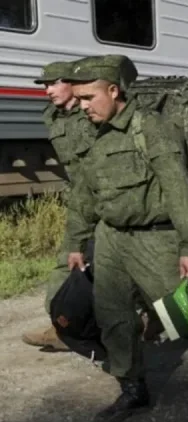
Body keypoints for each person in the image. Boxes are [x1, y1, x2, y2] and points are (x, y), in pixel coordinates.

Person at [64, 55, 188, 422]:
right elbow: (83, 194)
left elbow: (179, 192)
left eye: (88, 97)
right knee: (114, 318)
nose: (82, 107)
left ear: (113, 91)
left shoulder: (152, 128)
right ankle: (133, 391)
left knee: (186, 313)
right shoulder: (93, 134)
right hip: (110, 239)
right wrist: (77, 242)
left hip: (155, 239)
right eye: (77, 99)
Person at [20, 60, 96, 351]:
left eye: (54, 83)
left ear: (73, 84)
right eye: (45, 85)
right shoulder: (55, 115)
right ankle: (61, 327)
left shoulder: (92, 115)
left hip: (107, 199)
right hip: (82, 199)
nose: (48, 91)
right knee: (68, 260)